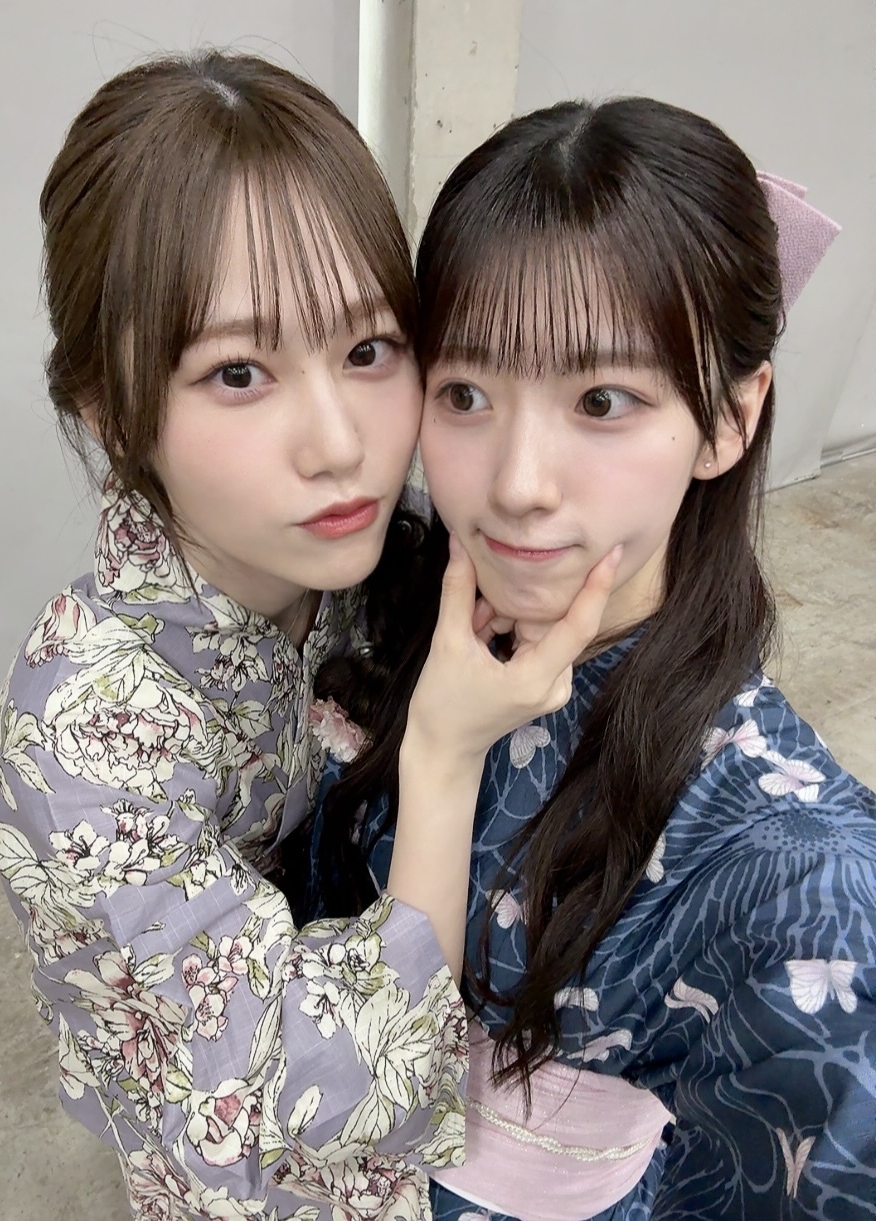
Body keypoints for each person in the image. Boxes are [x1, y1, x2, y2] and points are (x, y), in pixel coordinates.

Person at [0, 53, 616, 1221]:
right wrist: (441, 757)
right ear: (111, 410)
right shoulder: (74, 751)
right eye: (237, 372)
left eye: (367, 350)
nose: (339, 444)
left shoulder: (386, 559)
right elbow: (309, 1103)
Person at [314, 96, 876, 1219]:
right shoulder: (382, 605)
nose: (517, 482)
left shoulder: (806, 894)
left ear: (728, 418)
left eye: (601, 400)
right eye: (465, 393)